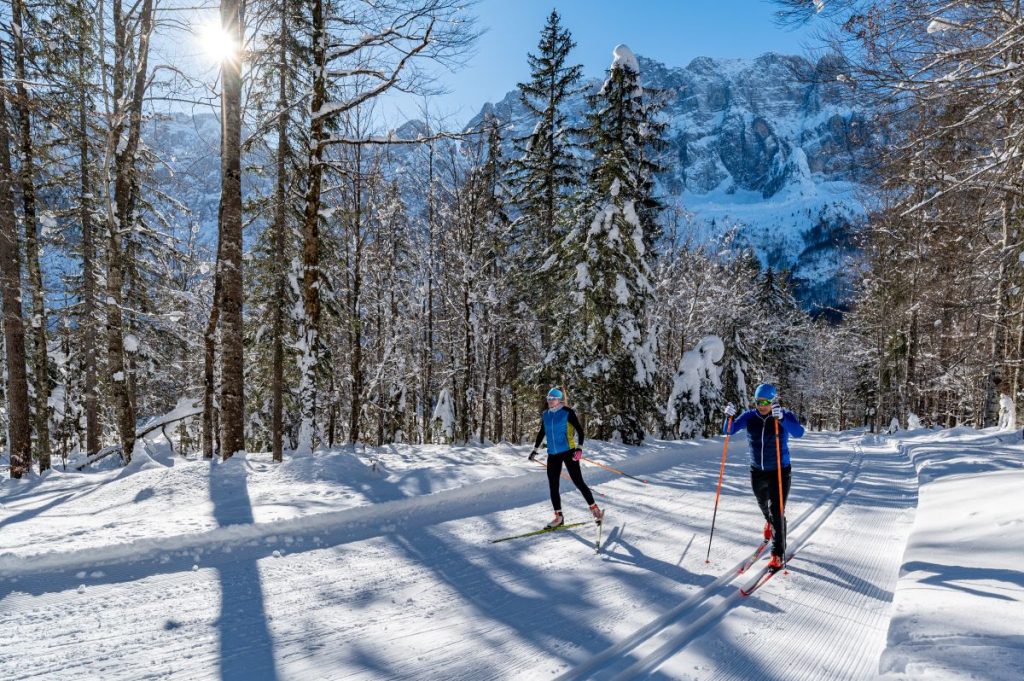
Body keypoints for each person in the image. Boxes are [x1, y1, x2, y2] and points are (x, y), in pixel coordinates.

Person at [724, 383, 805, 570]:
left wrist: (783, 419)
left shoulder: (783, 415)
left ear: (773, 400)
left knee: (777, 511)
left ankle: (777, 553)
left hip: (779, 471)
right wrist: (728, 417)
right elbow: (728, 430)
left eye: (766, 401)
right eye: (759, 401)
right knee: (763, 504)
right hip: (757, 471)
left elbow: (799, 432)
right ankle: (770, 522)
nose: (762, 405)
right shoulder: (750, 417)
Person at [529, 388, 604, 528]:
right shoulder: (545, 414)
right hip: (552, 454)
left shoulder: (567, 412)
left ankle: (595, 509)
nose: (550, 401)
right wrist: (535, 450)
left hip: (568, 452)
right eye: (548, 398)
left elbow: (580, 431)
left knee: (578, 481)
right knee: (553, 485)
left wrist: (579, 448)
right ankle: (558, 517)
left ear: (559, 400)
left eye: (552, 398)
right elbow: (542, 432)